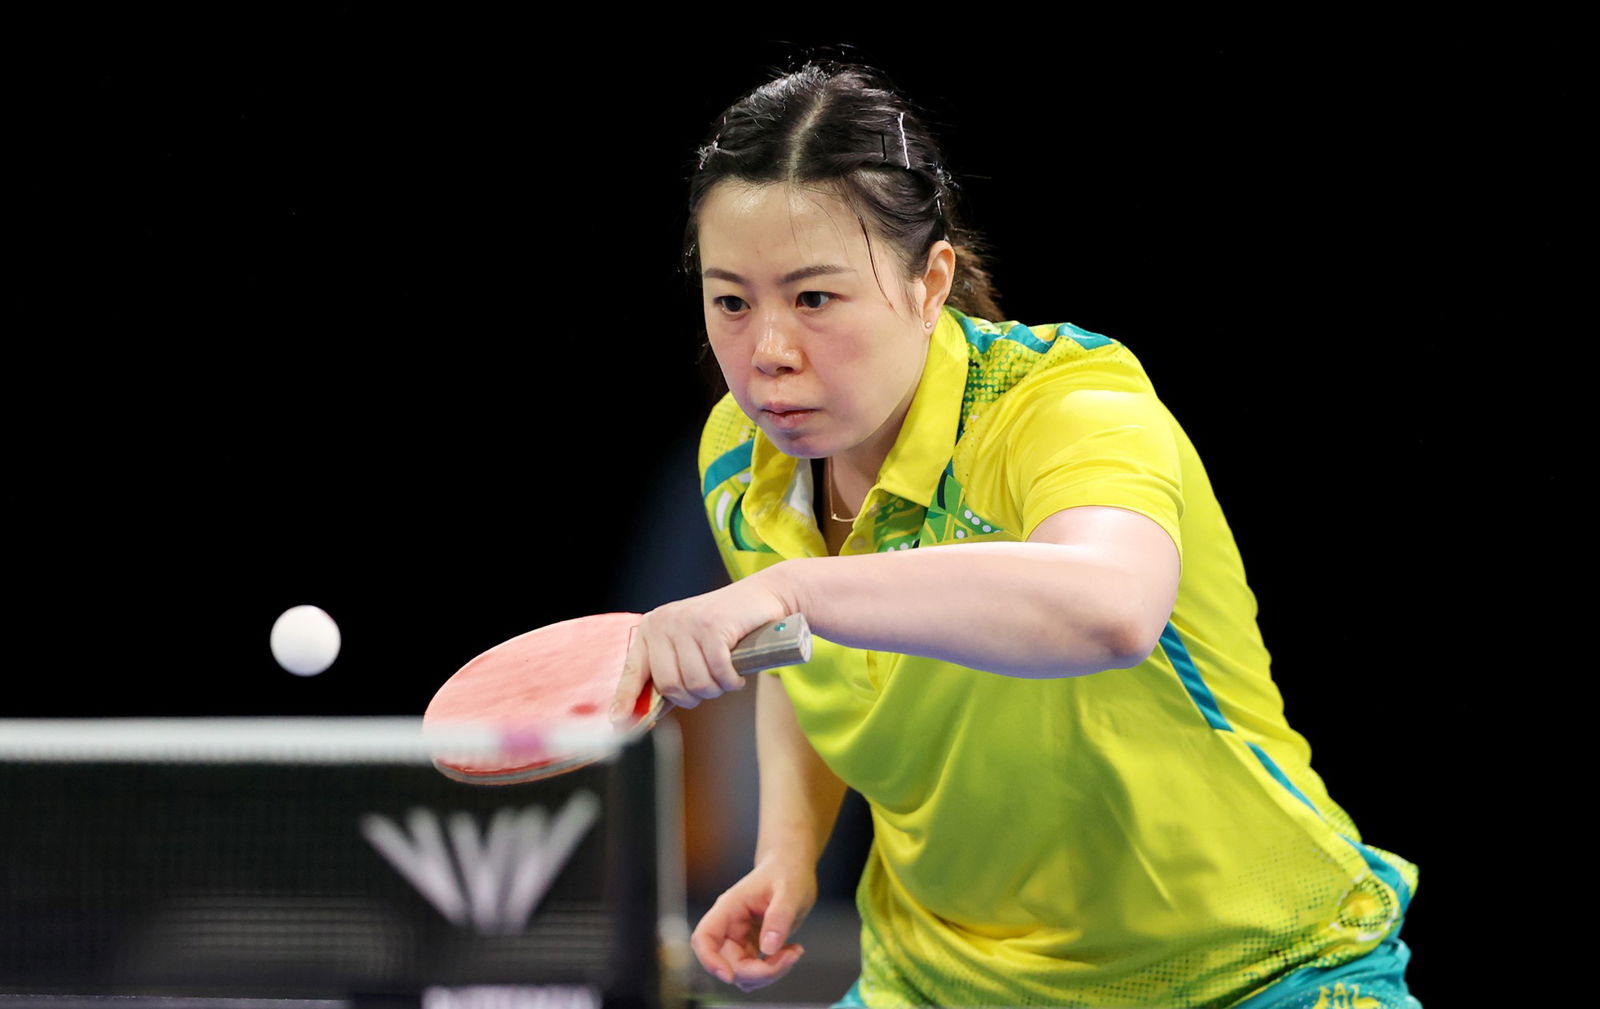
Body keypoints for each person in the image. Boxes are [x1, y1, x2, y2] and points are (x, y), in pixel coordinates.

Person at [608, 61, 1420, 1009]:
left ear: (930, 282)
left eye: (815, 298)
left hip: (1251, 970)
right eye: (732, 301)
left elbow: (1112, 608)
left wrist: (792, 590)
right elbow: (807, 656)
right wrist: (788, 850)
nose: (769, 351)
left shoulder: (1069, 403)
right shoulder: (742, 461)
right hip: (941, 979)